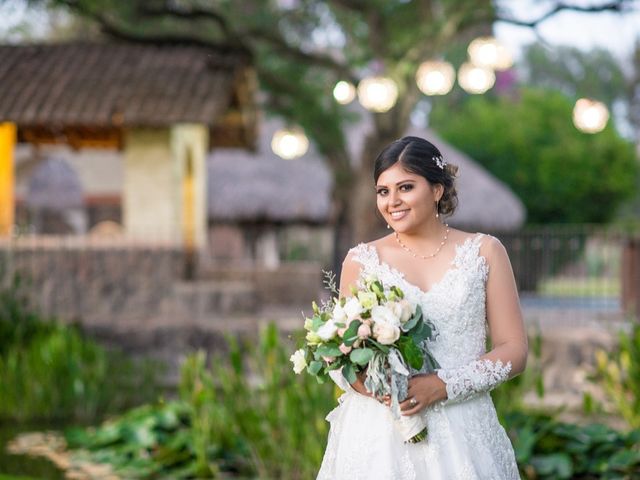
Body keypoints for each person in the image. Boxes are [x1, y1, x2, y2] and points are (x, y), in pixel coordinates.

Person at [317, 136, 527, 479]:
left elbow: (515, 350)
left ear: (437, 190)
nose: (392, 201)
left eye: (406, 187)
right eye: (383, 191)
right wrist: (377, 389)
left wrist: (443, 385)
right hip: (380, 436)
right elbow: (340, 356)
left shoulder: (484, 252)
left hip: (464, 429)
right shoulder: (362, 260)